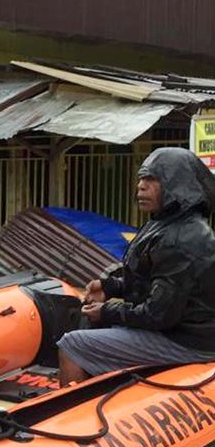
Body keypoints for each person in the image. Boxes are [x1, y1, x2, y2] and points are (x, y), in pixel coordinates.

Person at [57, 147, 215, 386]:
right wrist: (111, 287)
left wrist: (107, 311)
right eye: (141, 178)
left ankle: (60, 417)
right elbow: (155, 282)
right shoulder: (167, 223)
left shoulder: (182, 238)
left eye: (152, 179)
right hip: (184, 331)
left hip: (188, 342)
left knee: (72, 344)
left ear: (178, 185)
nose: (141, 186)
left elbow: (159, 315)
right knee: (94, 324)